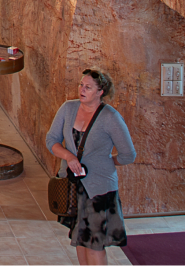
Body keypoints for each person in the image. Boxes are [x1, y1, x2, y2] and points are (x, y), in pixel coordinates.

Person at [46, 68, 137, 266]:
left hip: (99, 190)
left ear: (100, 92)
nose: (82, 89)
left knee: (94, 244)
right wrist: (68, 156)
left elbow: (128, 155)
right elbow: (51, 140)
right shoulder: (68, 109)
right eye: (81, 85)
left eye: (88, 87)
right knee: (79, 239)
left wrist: (107, 162)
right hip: (74, 186)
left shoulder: (111, 118)